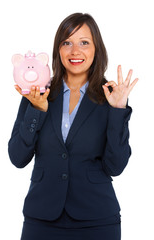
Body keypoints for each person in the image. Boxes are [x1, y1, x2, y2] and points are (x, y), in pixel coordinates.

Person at [8, 13, 138, 240]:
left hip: (97, 220)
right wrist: (37, 110)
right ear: (58, 49)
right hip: (42, 219)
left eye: (84, 43)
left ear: (97, 49)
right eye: (67, 42)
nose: (74, 51)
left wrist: (118, 110)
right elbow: (18, 157)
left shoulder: (111, 95)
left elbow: (115, 166)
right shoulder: (38, 91)